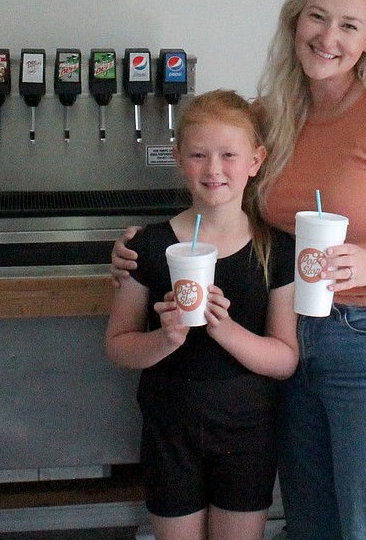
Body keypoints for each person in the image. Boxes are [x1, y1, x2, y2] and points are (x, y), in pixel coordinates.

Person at [116, 0, 366, 540]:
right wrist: (142, 246)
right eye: (317, 17)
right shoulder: (276, 115)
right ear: (295, 20)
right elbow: (223, 201)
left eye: (348, 26)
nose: (327, 37)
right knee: (313, 523)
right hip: (290, 344)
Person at [104, 89, 298, 540]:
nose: (213, 169)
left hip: (248, 431)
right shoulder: (147, 248)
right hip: (170, 429)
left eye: (228, 155)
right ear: (178, 158)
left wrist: (226, 331)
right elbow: (117, 345)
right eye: (198, 155)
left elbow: (285, 359)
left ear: (255, 160)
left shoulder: (278, 251)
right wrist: (164, 339)